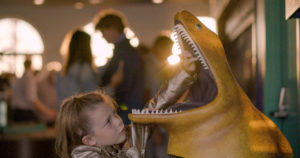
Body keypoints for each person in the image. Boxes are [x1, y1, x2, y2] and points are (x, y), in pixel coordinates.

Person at [55, 49, 198, 158]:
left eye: (114, 114)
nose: (118, 121)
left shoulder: (124, 137)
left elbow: (154, 107)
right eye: (108, 122)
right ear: (90, 140)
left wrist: (184, 73)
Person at [94, 10, 144, 125]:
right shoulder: (125, 50)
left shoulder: (124, 52)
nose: (102, 36)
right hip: (130, 107)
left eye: (103, 31)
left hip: (127, 109)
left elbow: (124, 85)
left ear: (112, 28)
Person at [11, 58, 57, 123]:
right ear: (31, 66)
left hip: (17, 112)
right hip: (24, 113)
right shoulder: (29, 78)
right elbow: (33, 99)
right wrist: (48, 112)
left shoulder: (21, 78)